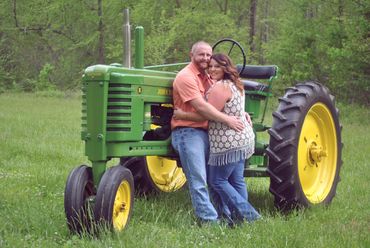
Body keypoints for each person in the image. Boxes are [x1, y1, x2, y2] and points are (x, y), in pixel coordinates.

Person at [173, 53, 261, 224]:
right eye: (210, 66)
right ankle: (238, 220)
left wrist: (182, 114)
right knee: (236, 180)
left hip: (229, 141)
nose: (212, 69)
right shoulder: (236, 83)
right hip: (243, 138)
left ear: (226, 68)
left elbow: (206, 114)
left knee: (217, 181)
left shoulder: (221, 87)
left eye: (217, 66)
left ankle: (249, 215)